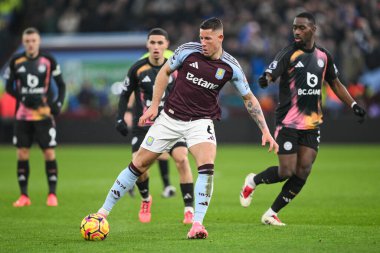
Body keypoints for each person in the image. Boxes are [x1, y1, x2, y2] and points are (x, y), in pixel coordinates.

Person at [96, 17, 278, 239]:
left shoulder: (231, 66)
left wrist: (265, 130)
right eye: (201, 37)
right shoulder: (186, 51)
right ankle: (102, 213)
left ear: (220, 38)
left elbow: (249, 98)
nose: (202, 42)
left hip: (201, 122)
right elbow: (163, 72)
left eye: (207, 38)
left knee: (206, 166)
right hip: (169, 119)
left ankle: (197, 224)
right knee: (139, 164)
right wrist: (154, 106)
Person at [239, 12, 367, 226]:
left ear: (313, 29)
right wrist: (266, 79)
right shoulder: (288, 53)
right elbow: (272, 72)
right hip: (288, 121)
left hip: (312, 122)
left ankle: (271, 213)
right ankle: (252, 180)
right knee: (286, 171)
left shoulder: (324, 56)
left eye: (302, 28)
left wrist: (353, 105)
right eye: (294, 28)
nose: (297, 31)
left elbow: (335, 83)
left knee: (304, 169)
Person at [115, 28, 194, 224]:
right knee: (138, 167)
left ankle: (189, 209)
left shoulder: (176, 67)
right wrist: (119, 117)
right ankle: (145, 199)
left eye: (160, 43)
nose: (156, 47)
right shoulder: (138, 68)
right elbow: (125, 94)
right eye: (153, 43)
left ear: (166, 45)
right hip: (144, 125)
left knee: (182, 159)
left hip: (172, 122)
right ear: (147, 45)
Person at [4, 27, 66, 207]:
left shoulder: (48, 60)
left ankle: (52, 194)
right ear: (24, 43)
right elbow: (8, 87)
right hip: (22, 115)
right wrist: (21, 97)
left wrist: (57, 105)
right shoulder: (16, 60)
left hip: (43, 115)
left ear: (38, 42)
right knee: (22, 153)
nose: (30, 44)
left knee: (48, 152)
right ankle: (24, 196)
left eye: (33, 41)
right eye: (27, 41)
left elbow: (61, 85)